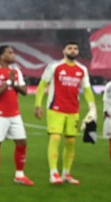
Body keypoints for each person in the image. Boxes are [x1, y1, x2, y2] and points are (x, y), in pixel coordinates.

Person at [33, 41, 97, 185]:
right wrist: (38, 104)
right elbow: (42, 84)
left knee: (70, 142)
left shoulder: (82, 69)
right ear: (64, 51)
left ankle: (66, 173)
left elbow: (87, 90)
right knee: (55, 138)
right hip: (55, 108)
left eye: (75, 48)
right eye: (70, 48)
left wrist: (92, 108)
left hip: (73, 110)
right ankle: (53, 173)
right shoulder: (54, 66)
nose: (73, 51)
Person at [0, 45, 35, 187]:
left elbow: (24, 91)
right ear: (1, 56)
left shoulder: (16, 71)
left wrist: (14, 83)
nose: (13, 55)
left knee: (22, 143)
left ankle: (19, 175)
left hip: (15, 114)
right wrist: (8, 82)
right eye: (10, 53)